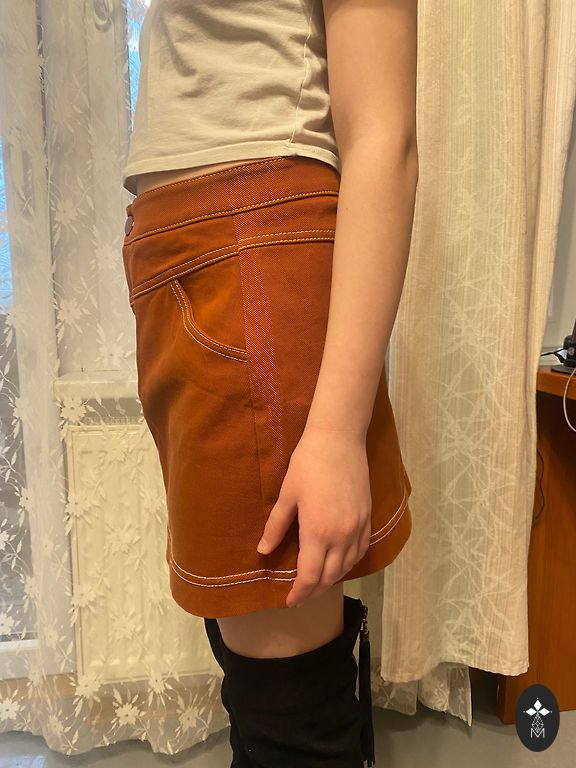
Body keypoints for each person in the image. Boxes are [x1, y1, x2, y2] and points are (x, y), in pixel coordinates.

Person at [121, 0, 418, 765]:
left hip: (249, 254)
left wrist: (336, 431)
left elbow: (382, 133)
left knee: (287, 714)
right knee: (264, 679)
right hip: (199, 257)